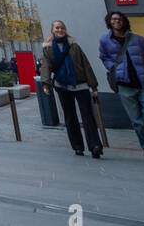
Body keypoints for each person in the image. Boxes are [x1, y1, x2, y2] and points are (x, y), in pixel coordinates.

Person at [99, 10, 144, 164]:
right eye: (113, 19)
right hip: (124, 85)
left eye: (119, 19)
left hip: (143, 84)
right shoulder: (105, 40)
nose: (116, 21)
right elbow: (103, 57)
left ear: (124, 21)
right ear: (109, 22)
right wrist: (114, 70)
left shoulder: (138, 39)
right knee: (137, 121)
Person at [38, 20, 102, 158]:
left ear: (65, 30)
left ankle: (95, 145)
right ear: (52, 30)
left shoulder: (74, 46)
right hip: (62, 85)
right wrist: (46, 83)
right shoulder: (48, 49)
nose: (60, 30)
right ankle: (78, 146)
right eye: (57, 28)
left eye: (62, 28)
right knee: (70, 117)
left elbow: (86, 65)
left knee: (88, 116)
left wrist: (93, 85)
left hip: (80, 84)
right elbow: (46, 67)